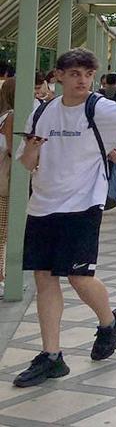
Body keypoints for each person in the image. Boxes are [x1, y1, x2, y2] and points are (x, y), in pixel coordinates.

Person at [13, 48, 116, 387]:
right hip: (42, 205)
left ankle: (109, 322)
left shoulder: (100, 108)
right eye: (75, 74)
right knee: (45, 279)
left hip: (83, 204)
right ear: (59, 77)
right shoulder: (42, 114)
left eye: (87, 74)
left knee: (79, 278)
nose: (82, 80)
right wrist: (35, 147)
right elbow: (26, 162)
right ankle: (52, 356)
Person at [0, 79, 13, 291]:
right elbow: (12, 150)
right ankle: (1, 277)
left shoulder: (4, 116)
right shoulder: (11, 117)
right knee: (2, 233)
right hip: (5, 182)